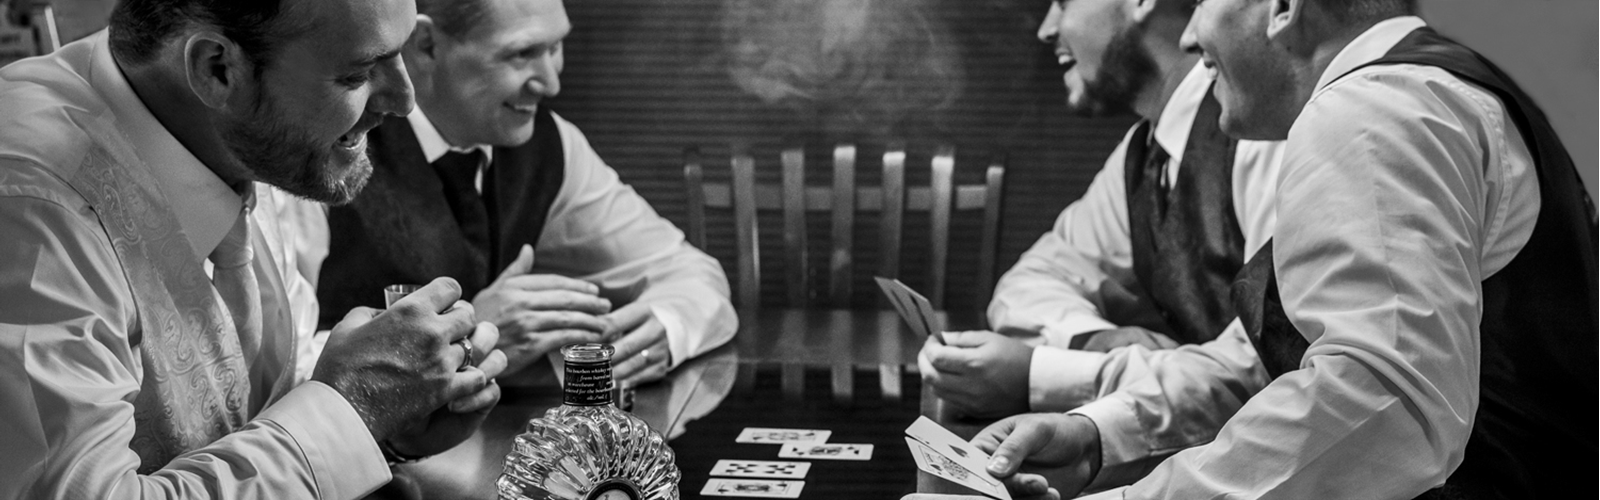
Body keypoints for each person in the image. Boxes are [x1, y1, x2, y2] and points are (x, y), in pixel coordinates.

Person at [912, 0, 1599, 499]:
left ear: (1281, 6)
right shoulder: (1406, 95)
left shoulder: (1373, 109)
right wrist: (1096, 435)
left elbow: (1376, 406)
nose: (1187, 35)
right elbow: (1265, 361)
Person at [0, 0, 511, 497]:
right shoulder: (33, 205)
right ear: (216, 68)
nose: (403, 99)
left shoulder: (238, 127)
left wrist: (383, 428)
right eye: (357, 74)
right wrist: (352, 409)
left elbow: (255, 399)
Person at [282, 0, 736, 386]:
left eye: (555, 47)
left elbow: (694, 276)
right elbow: (275, 373)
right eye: (522, 54)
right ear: (425, 46)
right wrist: (469, 335)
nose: (552, 82)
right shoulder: (323, 153)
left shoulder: (551, 146)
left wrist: (663, 330)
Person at [919, 0, 1280, 449]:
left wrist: (1040, 374)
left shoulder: (1264, 137)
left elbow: (1267, 371)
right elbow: (1029, 282)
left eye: (1063, 3)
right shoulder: (1143, 153)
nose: (1047, 29)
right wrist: (1097, 340)